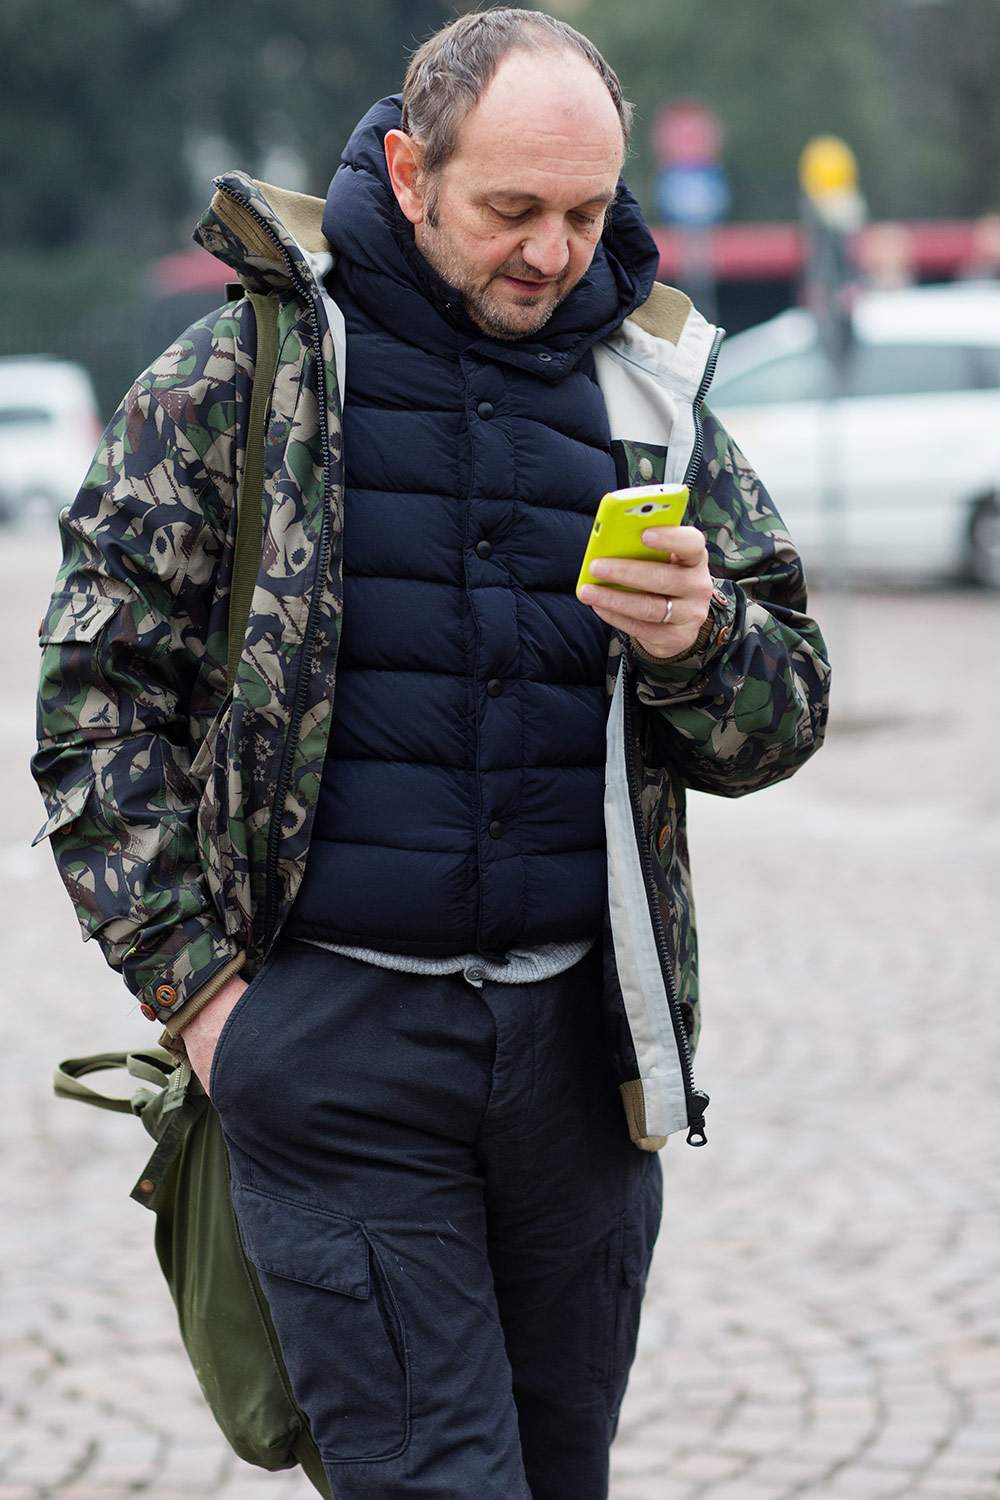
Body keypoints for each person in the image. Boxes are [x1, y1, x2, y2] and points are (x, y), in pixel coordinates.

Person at [32, 10, 830, 1498]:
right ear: (409, 173)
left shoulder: (651, 396)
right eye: (512, 209)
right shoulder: (243, 377)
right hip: (333, 1054)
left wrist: (702, 640)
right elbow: (94, 702)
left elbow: (782, 719)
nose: (554, 253)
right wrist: (210, 1008)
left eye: (586, 213)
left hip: (584, 1072)